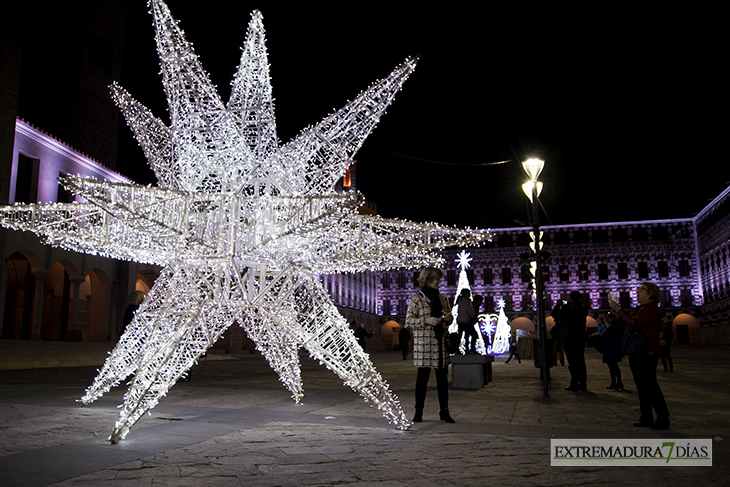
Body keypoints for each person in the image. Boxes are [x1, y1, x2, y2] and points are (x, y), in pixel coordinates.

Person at [610, 283, 670, 430]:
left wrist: (619, 310)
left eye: (641, 290)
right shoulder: (640, 309)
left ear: (650, 294)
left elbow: (635, 323)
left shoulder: (651, 309)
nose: (637, 292)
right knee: (641, 386)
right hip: (636, 351)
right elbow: (628, 326)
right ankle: (646, 417)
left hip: (647, 351)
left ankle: (663, 417)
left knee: (650, 385)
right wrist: (617, 315)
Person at [405, 266, 455, 423]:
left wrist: (448, 318)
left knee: (442, 380)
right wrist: (426, 320)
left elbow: (449, 318)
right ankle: (418, 411)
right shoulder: (417, 298)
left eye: (439, 279)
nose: (437, 281)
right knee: (422, 379)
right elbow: (408, 321)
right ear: (426, 279)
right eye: (434, 278)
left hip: (440, 343)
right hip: (424, 345)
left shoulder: (443, 298)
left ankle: (444, 411)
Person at [553, 291, 588, 391]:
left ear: (571, 298)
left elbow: (555, 315)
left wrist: (558, 305)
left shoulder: (567, 308)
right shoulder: (583, 308)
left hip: (570, 337)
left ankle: (574, 382)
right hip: (581, 336)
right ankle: (583, 383)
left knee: (572, 361)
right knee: (581, 360)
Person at [600, 312, 624, 390]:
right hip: (611, 348)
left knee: (613, 366)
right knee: (613, 367)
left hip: (611, 349)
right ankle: (616, 382)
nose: (606, 319)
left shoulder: (612, 327)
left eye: (608, 318)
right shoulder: (613, 326)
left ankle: (617, 382)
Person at [456, 288, 477, 354]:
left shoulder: (459, 301)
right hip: (467, 321)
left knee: (460, 335)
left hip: (460, 321)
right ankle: (469, 349)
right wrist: (473, 316)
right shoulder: (467, 301)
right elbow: (471, 313)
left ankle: (457, 349)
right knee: (469, 335)